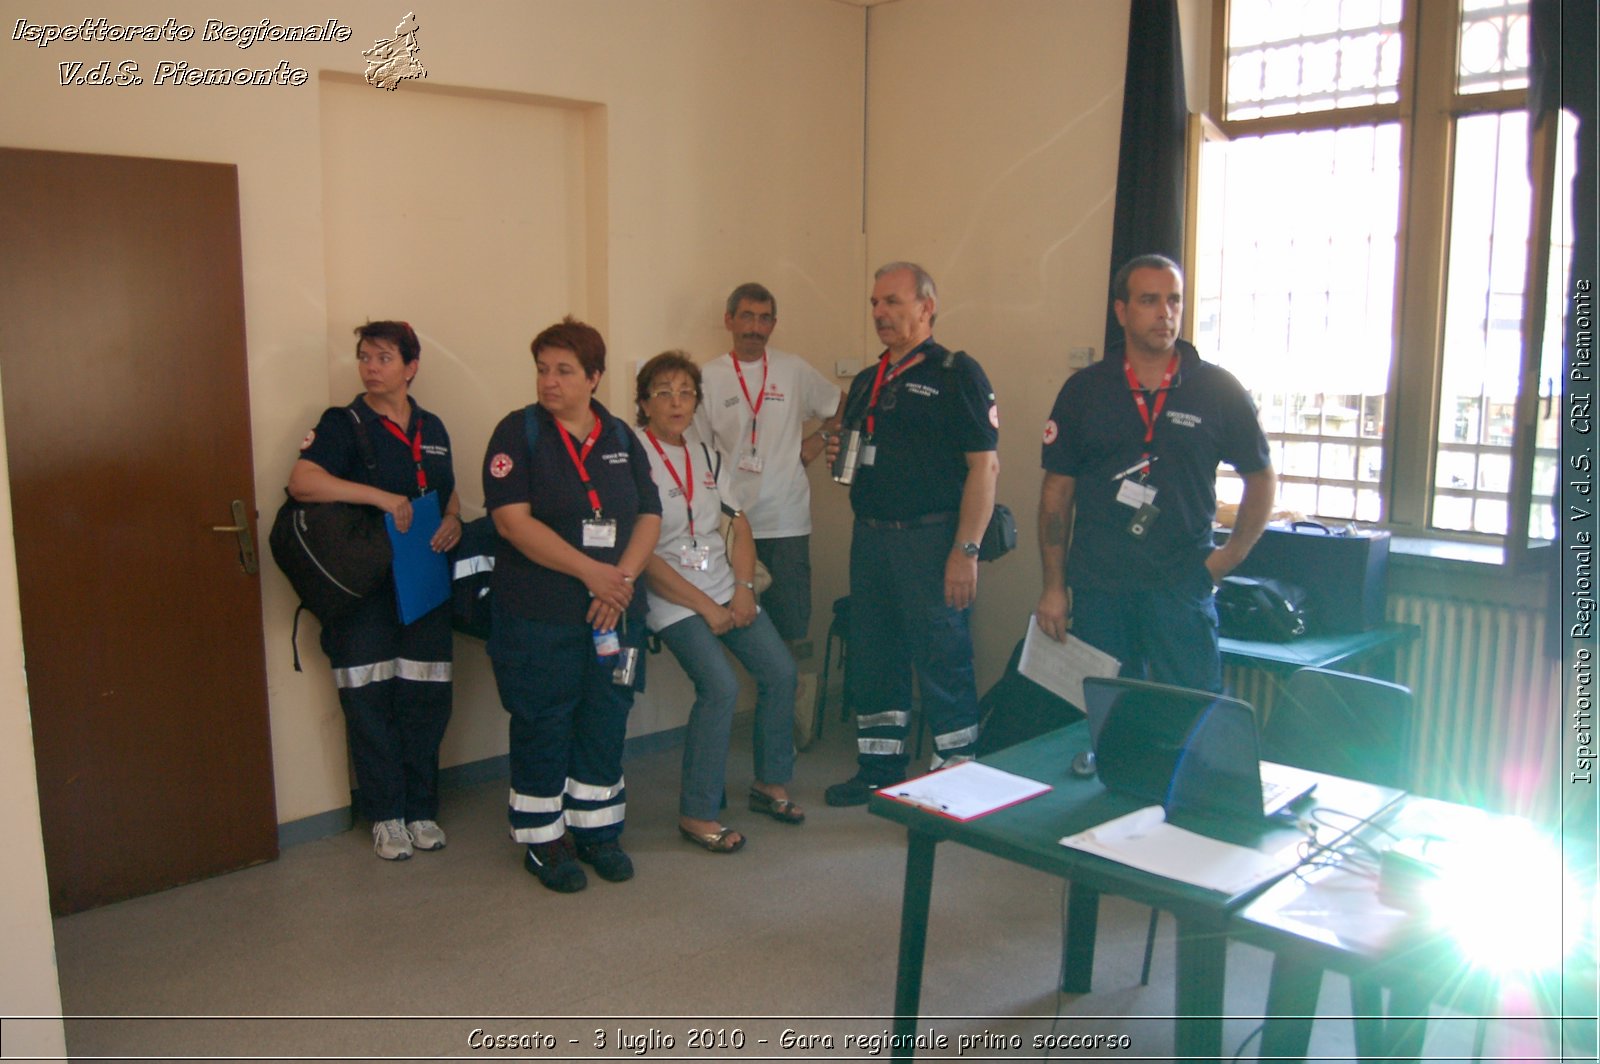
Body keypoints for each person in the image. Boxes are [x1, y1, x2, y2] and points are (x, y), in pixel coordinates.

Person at [1036, 254, 1276, 692]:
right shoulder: (1085, 391)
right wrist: (1054, 585)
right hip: (1100, 587)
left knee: (1190, 720)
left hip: (1182, 584)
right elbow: (1057, 491)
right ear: (1122, 312)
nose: (1165, 313)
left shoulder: (1218, 390)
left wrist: (1226, 559)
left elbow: (1261, 477)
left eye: (1174, 301)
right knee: (1107, 721)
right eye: (1149, 300)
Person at [481, 317, 662, 893]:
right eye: (542, 369)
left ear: (595, 378)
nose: (549, 381)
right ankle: (542, 840)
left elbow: (650, 513)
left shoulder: (619, 437)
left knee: (605, 718)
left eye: (563, 371)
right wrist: (593, 574)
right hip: (540, 613)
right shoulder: (518, 433)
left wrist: (622, 580)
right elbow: (511, 523)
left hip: (614, 611)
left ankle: (597, 831)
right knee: (543, 720)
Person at [823, 262, 1000, 807]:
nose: (881, 313)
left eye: (894, 302)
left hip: (932, 542)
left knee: (943, 657)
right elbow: (855, 457)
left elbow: (984, 469)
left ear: (926, 307)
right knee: (875, 655)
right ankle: (879, 767)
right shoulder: (866, 380)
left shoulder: (956, 374)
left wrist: (965, 552)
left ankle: (955, 781)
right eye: (875, 303)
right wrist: (839, 456)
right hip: (872, 538)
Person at [289, 320, 462, 861]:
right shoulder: (344, 423)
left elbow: (447, 490)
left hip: (423, 582)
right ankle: (386, 816)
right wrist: (381, 497)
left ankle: (420, 810)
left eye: (384, 358)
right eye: (365, 357)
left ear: (411, 368)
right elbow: (303, 481)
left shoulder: (432, 426)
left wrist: (454, 519)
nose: (371, 367)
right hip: (364, 587)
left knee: (425, 695)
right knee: (369, 700)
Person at [634, 351, 803, 854]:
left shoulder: (706, 455)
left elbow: (738, 525)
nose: (676, 401)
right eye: (663, 392)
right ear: (643, 402)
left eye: (686, 392)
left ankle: (769, 782)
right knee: (721, 688)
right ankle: (698, 812)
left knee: (780, 671)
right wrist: (706, 608)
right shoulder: (634, 456)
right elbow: (643, 555)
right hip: (671, 594)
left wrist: (744, 589)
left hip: (723, 582)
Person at [694, 283, 842, 650]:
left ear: (773, 324)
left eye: (764, 319)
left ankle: (791, 705)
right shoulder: (707, 378)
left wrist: (816, 441)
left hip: (786, 522)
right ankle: (760, 702)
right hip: (730, 525)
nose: (754, 328)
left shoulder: (792, 369)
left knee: (792, 631)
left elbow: (843, 406)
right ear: (728, 320)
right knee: (737, 629)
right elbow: (697, 454)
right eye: (746, 316)